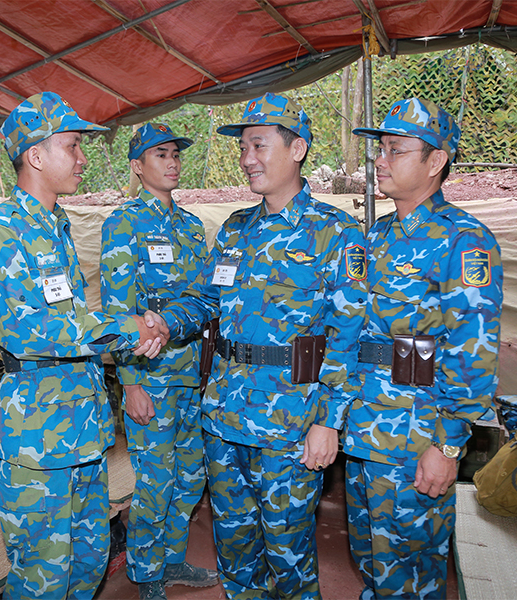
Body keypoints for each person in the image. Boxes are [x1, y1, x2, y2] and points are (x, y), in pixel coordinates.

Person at [156, 92, 367, 598]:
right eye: (243, 147)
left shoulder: (336, 234)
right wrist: (162, 323)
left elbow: (348, 336)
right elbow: (206, 299)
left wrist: (328, 421)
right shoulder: (234, 229)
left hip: (290, 424)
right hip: (224, 419)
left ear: (297, 149)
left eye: (258, 144)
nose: (247, 158)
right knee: (234, 552)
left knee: (290, 558)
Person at [0, 91, 170, 600]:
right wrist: (129, 328)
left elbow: (72, 320)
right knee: (41, 580)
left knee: (87, 567)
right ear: (36, 155)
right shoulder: (1, 231)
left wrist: (131, 330)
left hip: (82, 433)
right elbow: (23, 330)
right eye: (73, 146)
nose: (83, 159)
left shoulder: (57, 226)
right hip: (39, 443)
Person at [344, 97, 503, 599]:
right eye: (379, 151)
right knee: (371, 564)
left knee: (409, 578)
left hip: (416, 440)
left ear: (435, 162)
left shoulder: (464, 241)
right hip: (364, 432)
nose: (380, 162)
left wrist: (448, 445)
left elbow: (471, 353)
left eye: (395, 150)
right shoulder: (377, 237)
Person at [100, 123, 218, 600]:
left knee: (191, 478)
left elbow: (205, 297)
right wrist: (129, 383)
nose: (171, 162)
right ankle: (146, 574)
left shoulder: (191, 226)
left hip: (193, 376)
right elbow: (118, 309)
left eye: (175, 154)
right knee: (155, 481)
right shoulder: (123, 222)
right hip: (150, 377)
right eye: (159, 155)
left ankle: (171, 561)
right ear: (137, 166)